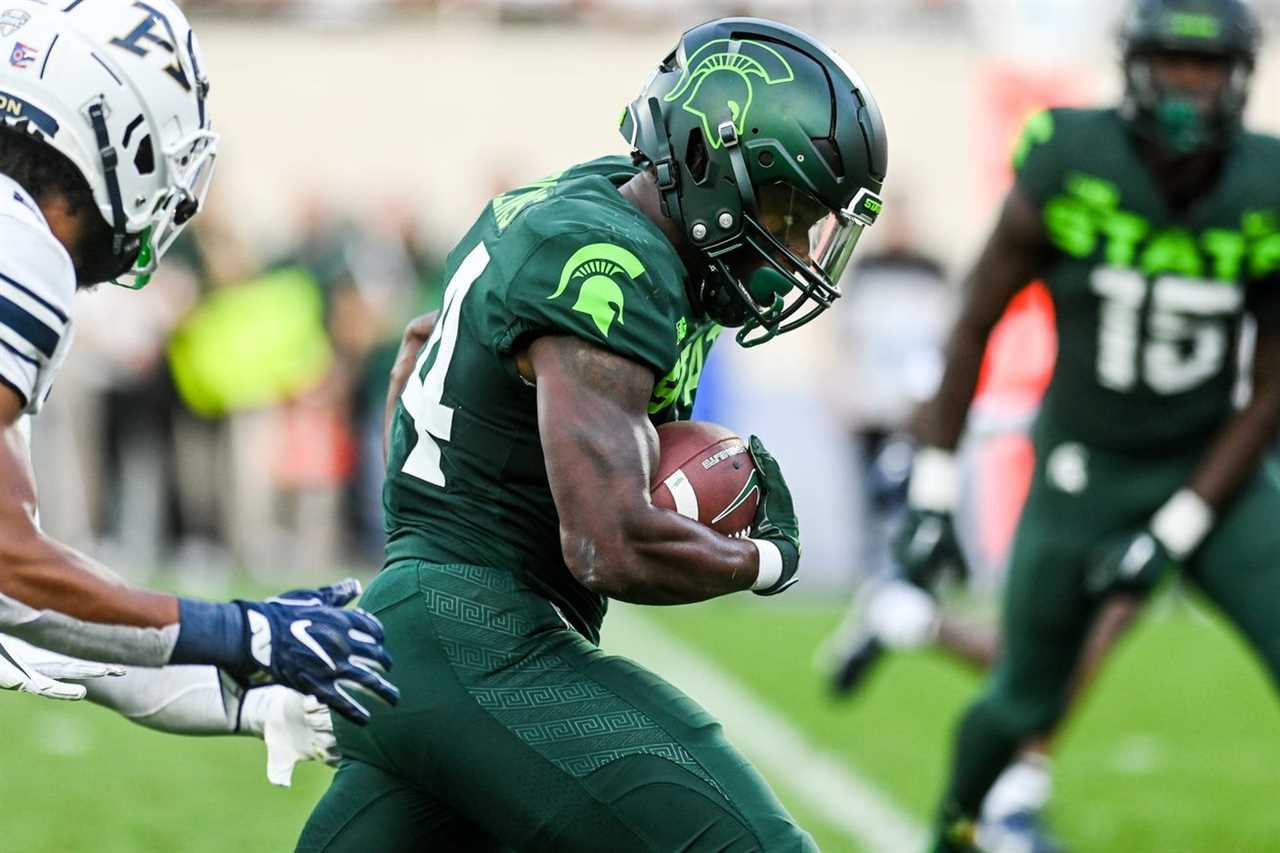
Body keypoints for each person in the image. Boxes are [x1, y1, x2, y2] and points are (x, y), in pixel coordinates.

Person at [297, 17, 887, 852]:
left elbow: (421, 346)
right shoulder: (609, 259)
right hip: (484, 638)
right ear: (708, 164)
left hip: (424, 629)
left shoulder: (600, 206)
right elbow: (607, 546)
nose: (795, 247)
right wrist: (770, 558)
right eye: (789, 211)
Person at [894, 1, 1280, 850]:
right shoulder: (1071, 157)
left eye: (1208, 67)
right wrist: (932, 489)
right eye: (1173, 62)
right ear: (1135, 66)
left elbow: (1272, 388)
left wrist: (1179, 524)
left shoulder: (1268, 185)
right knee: (1025, 698)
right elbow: (975, 318)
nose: (1190, 85)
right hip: (1082, 470)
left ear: (1242, 76)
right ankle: (954, 829)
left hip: (1211, 469)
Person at [0, 0, 398, 743]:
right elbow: (12, 574)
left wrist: (237, 694)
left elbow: (25, 609)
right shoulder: (17, 243)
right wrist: (239, 630)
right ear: (109, 130)